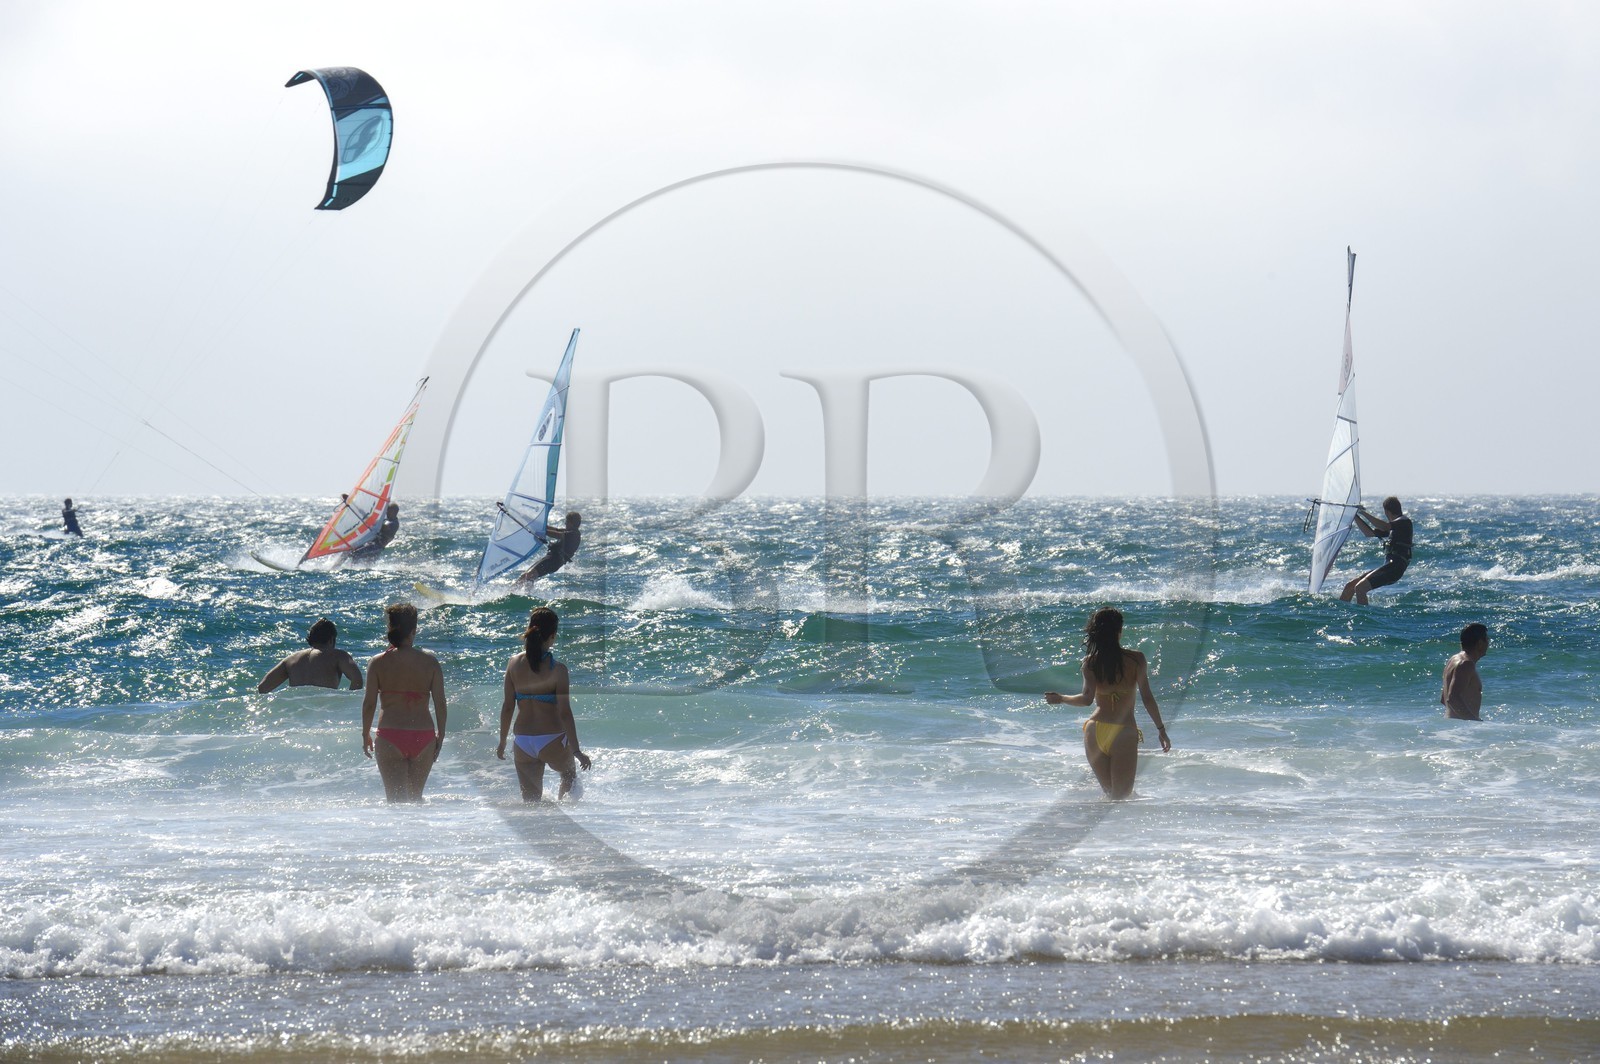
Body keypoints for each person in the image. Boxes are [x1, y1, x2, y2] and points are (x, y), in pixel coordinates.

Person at [1044, 607, 1171, 800]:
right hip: (1123, 732)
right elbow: (1147, 697)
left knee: (1111, 796)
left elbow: (1087, 699)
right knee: (1122, 797)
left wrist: (1061, 698)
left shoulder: (1090, 662)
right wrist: (1161, 729)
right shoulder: (1136, 659)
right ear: (1119, 630)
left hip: (1094, 731)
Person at [496, 606, 591, 801]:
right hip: (552, 739)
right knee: (568, 776)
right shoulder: (558, 670)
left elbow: (507, 707)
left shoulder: (513, 664)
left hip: (522, 741)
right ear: (553, 636)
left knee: (531, 804)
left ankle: (536, 830)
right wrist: (577, 751)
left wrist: (502, 741)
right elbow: (565, 713)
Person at [361, 603, 447, 802]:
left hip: (391, 736)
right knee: (416, 800)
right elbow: (441, 703)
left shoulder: (377, 662)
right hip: (424, 736)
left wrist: (365, 734)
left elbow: (369, 704)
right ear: (414, 630)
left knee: (395, 802)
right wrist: (440, 735)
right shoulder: (430, 662)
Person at [257, 618, 364, 692]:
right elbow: (357, 680)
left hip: (296, 712)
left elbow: (263, 687)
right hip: (325, 711)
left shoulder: (290, 660)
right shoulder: (339, 656)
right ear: (331, 640)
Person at [1341, 496, 1413, 604]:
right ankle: (1340, 613)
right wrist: (1354, 515)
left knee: (1360, 588)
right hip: (1388, 566)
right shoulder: (1393, 529)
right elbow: (1368, 533)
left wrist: (1363, 512)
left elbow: (1385, 526)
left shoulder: (1404, 522)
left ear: (1387, 511)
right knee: (1350, 586)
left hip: (1395, 568)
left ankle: (1363, 617)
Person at [1441, 623, 1489, 721]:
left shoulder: (1453, 659)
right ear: (1480, 643)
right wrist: (1475, 721)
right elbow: (1452, 698)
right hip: (1461, 728)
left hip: (1454, 726)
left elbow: (1443, 698)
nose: (1488, 643)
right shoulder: (1466, 664)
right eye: (1487, 639)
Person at [519, 511, 581, 583]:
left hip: (553, 561)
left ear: (571, 523)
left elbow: (556, 534)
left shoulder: (573, 534)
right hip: (552, 560)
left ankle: (516, 591)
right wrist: (528, 519)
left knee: (528, 575)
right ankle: (521, 592)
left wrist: (542, 531)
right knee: (526, 576)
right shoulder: (571, 531)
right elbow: (552, 529)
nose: (565, 523)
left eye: (566, 522)